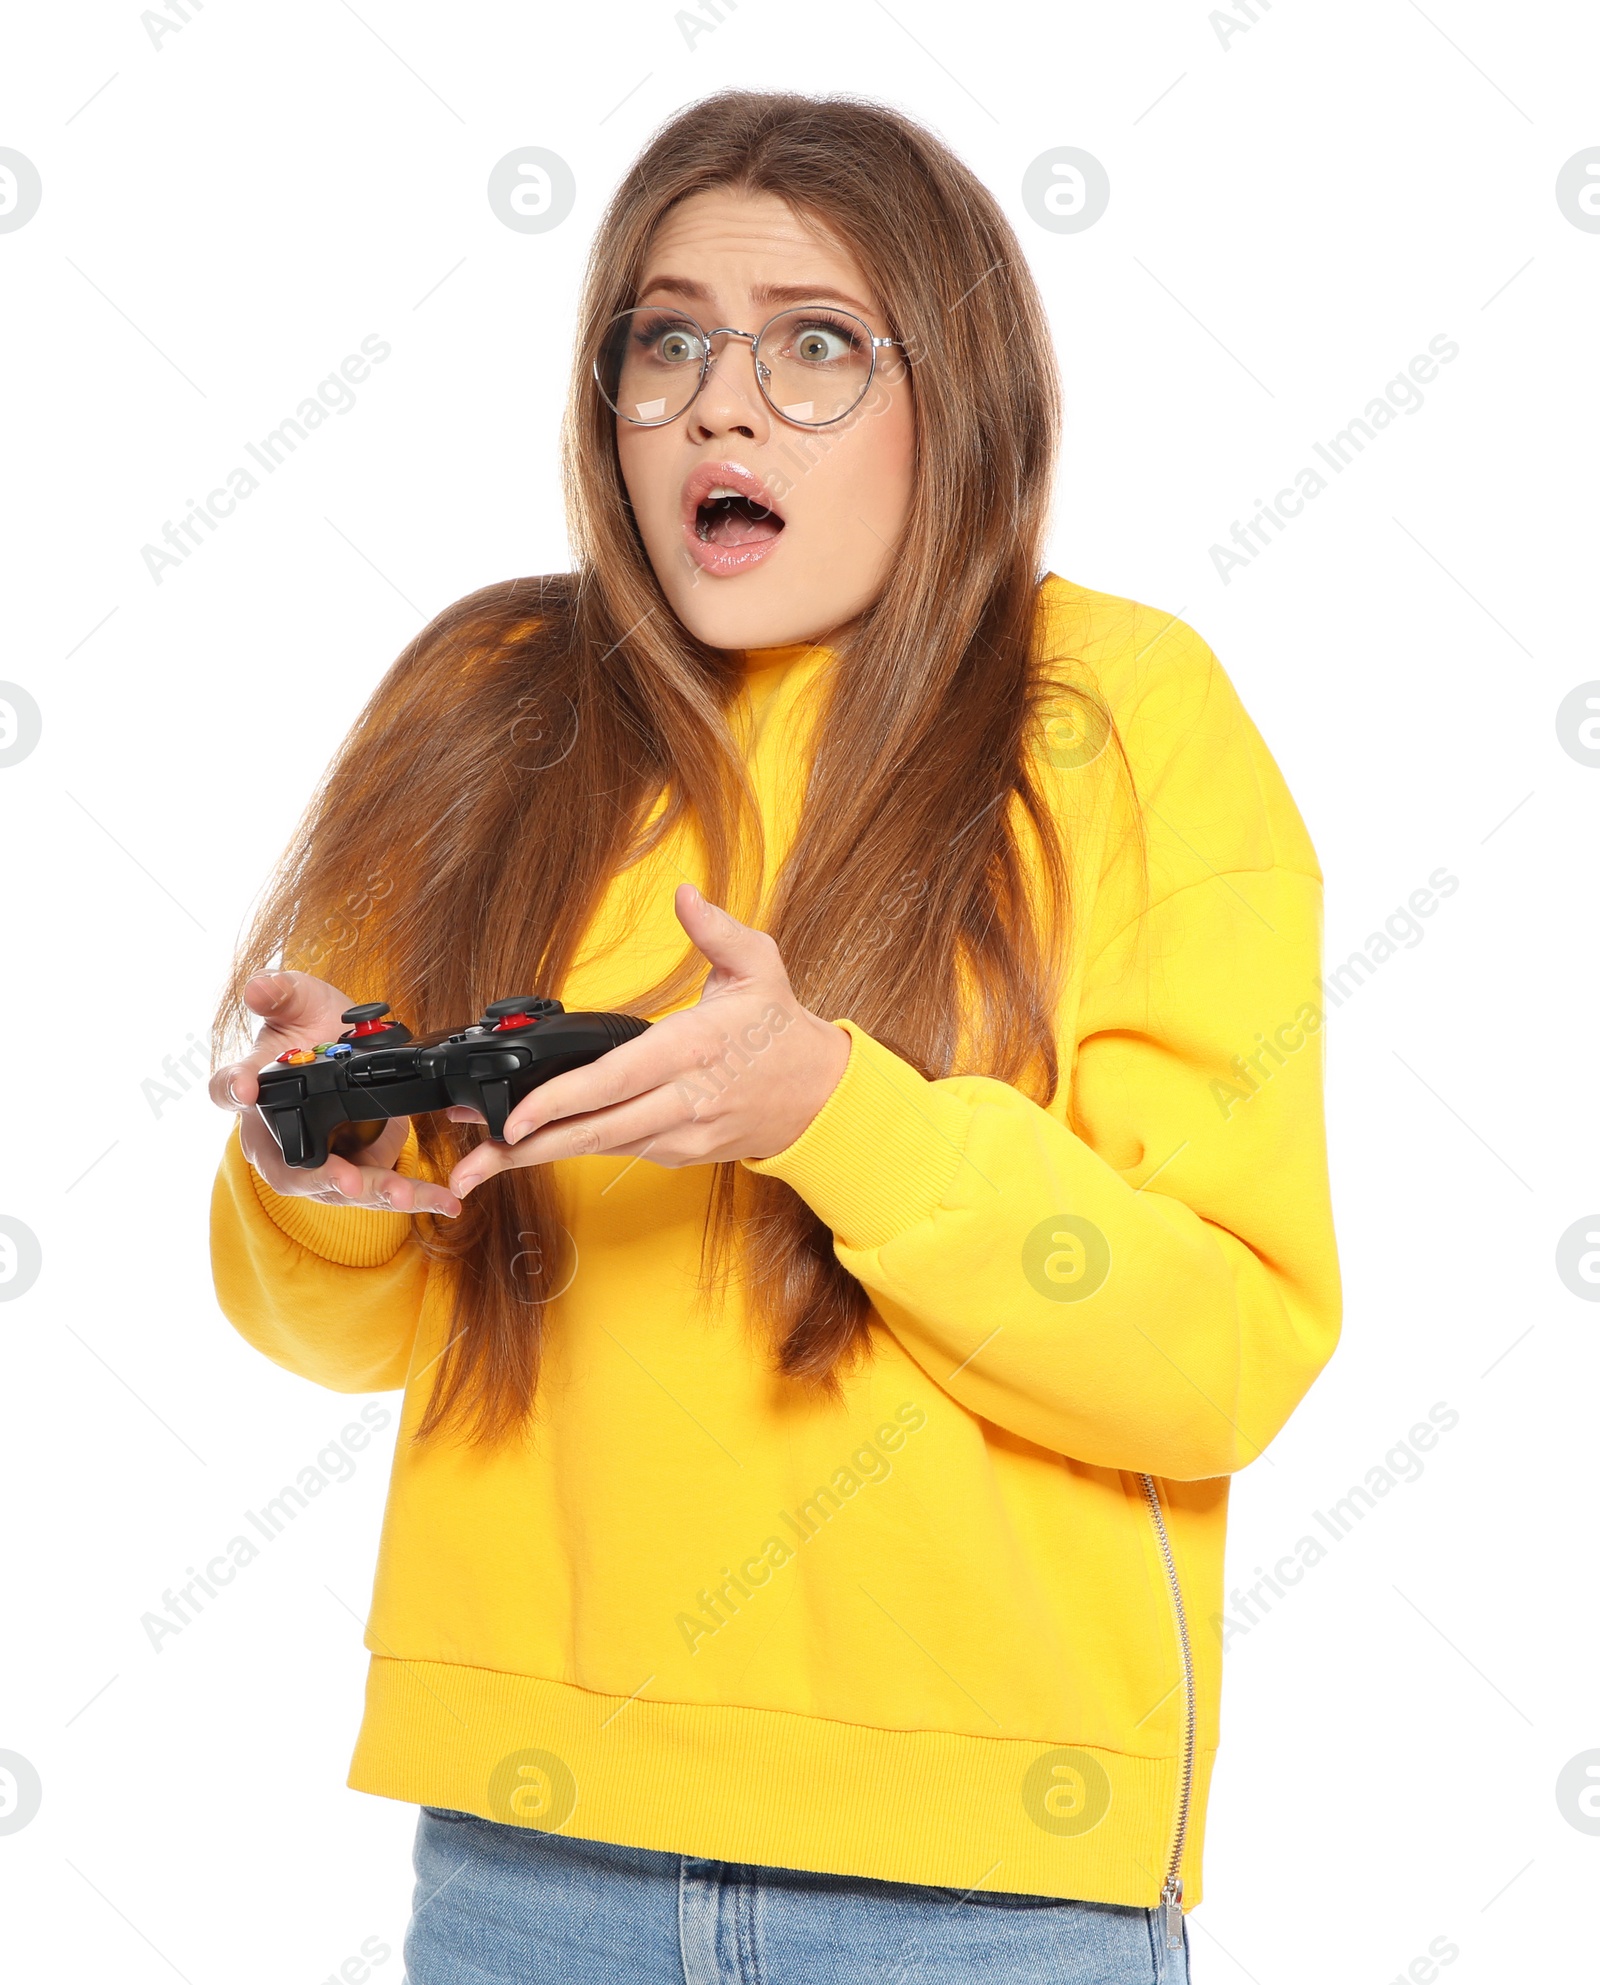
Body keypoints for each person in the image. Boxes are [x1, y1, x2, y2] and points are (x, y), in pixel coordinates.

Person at [209, 88, 1340, 1985]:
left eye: (817, 345)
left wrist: (832, 1111)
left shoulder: (1120, 714)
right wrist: (326, 1174)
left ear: (956, 403)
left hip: (977, 1897)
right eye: (670, 343)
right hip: (526, 1857)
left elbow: (1223, 1353)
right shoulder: (492, 706)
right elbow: (344, 1329)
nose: (725, 405)